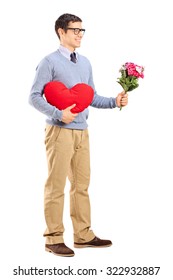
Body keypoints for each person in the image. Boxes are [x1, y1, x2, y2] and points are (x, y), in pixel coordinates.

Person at [29, 13, 128, 257]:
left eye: (82, 30)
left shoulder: (85, 63)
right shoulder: (48, 62)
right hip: (59, 132)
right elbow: (33, 96)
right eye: (75, 30)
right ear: (61, 32)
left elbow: (90, 97)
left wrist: (115, 101)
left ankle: (83, 235)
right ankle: (53, 239)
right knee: (56, 186)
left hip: (82, 132)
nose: (79, 34)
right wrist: (57, 113)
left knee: (81, 186)